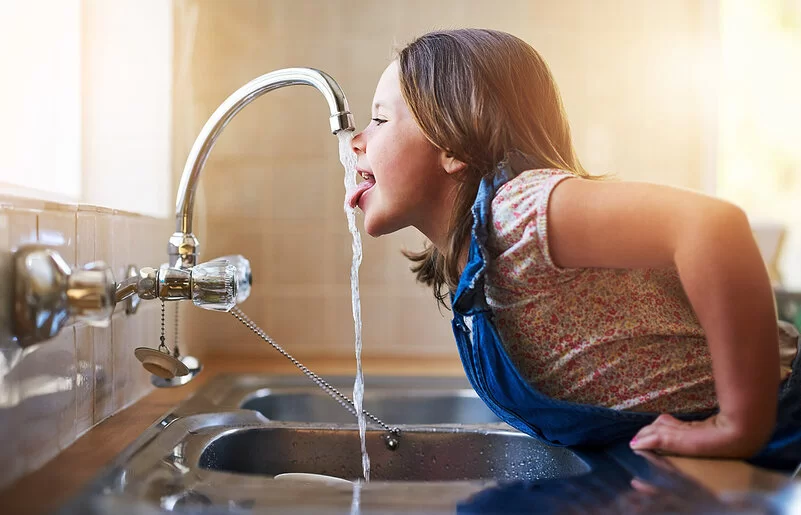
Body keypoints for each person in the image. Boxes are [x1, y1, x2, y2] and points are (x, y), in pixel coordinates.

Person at [347, 28, 800, 470]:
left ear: (452, 144)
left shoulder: (518, 213)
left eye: (380, 119)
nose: (356, 140)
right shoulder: (479, 263)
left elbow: (713, 226)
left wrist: (740, 424)